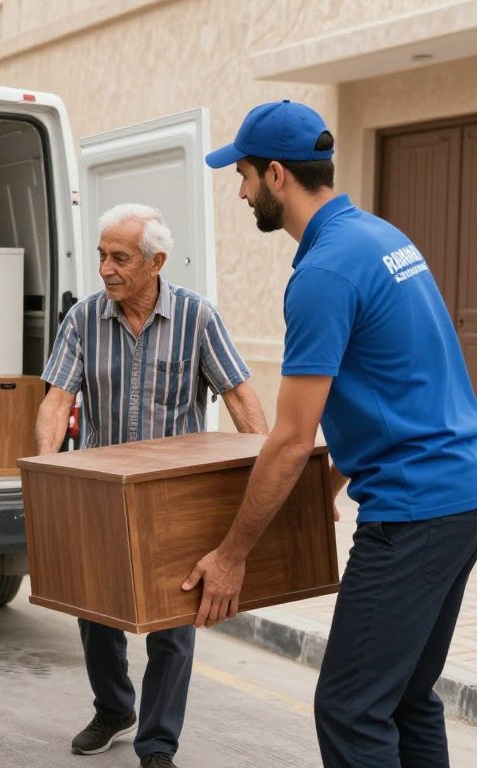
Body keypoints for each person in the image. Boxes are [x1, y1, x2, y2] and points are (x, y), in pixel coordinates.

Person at [187, 100, 477, 768]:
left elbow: (290, 438)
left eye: (245, 175)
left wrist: (233, 556)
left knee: (350, 707)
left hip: (413, 511)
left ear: (278, 175)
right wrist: (319, 493)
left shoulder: (321, 274)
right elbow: (384, 387)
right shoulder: (382, 239)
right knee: (405, 696)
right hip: (456, 496)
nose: (240, 190)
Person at [35, 203, 268, 768]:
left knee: (174, 623)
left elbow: (238, 397)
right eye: (101, 256)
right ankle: (115, 707)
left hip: (176, 497)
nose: (106, 269)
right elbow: (57, 399)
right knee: (93, 606)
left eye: (120, 258)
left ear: (156, 261)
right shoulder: (84, 318)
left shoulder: (198, 317)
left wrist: (269, 477)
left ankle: (158, 742)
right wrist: (47, 473)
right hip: (102, 490)